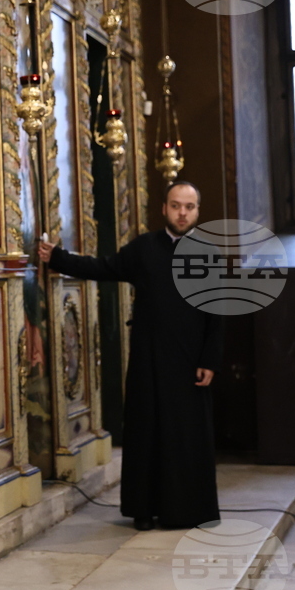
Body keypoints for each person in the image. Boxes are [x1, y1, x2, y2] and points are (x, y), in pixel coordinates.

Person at [38, 181, 223, 530]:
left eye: (189, 207)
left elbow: (217, 312)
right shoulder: (143, 249)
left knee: (186, 436)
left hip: (190, 364)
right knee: (147, 431)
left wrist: (210, 359)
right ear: (164, 209)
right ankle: (144, 510)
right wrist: (58, 258)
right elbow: (103, 268)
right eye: (176, 205)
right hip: (149, 360)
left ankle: (189, 510)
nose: (182, 212)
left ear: (198, 211)